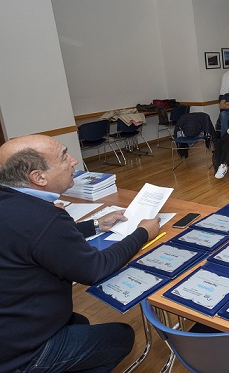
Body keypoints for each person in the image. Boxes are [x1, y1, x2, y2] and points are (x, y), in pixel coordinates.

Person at [0, 135, 159, 373]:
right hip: (22, 355)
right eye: (64, 156)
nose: (74, 161)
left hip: (11, 328)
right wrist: (142, 233)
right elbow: (95, 268)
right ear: (38, 177)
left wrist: (95, 225)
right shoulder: (44, 218)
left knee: (80, 323)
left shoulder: (14, 204)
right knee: (122, 336)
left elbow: (35, 239)